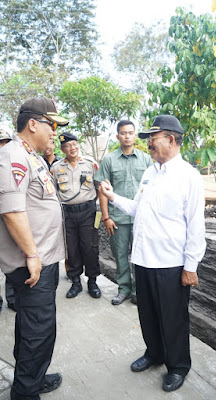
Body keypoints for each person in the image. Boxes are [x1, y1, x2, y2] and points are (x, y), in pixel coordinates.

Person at [99, 115, 206, 392]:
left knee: (173, 318)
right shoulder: (150, 172)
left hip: (171, 263)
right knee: (147, 314)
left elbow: (196, 225)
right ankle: (154, 353)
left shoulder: (189, 177)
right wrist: (112, 197)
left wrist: (191, 266)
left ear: (171, 139)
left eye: (152, 139)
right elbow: (137, 208)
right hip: (144, 259)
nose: (147, 145)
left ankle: (178, 365)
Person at [0, 97, 69, 400]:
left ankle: (32, 377)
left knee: (34, 326)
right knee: (37, 331)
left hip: (42, 260)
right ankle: (25, 393)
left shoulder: (32, 155)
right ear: (33, 124)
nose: (55, 132)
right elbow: (13, 212)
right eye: (52, 125)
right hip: (32, 265)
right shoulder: (13, 156)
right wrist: (32, 254)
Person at [94, 120, 151, 305]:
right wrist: (106, 217)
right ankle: (124, 289)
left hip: (140, 218)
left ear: (135, 135)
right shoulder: (109, 160)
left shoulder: (146, 159)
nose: (127, 136)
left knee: (141, 256)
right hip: (117, 218)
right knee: (120, 256)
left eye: (130, 132)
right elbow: (103, 191)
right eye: (123, 133)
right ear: (118, 136)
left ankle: (138, 291)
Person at [51, 131, 101, 299]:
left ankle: (92, 281)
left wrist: (101, 213)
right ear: (62, 148)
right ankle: (76, 282)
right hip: (68, 214)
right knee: (71, 248)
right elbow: (54, 193)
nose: (72, 148)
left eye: (74, 144)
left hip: (88, 212)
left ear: (78, 145)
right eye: (67, 146)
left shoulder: (90, 164)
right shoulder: (56, 168)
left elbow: (99, 187)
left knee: (90, 246)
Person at [0, 128, 16, 312]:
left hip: (9, 222)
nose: (2, 147)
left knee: (11, 263)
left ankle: (12, 299)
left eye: (5, 142)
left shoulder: (14, 165)